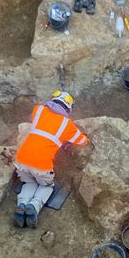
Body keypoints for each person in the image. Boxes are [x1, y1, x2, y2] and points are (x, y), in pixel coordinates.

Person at [13, 91, 89, 228]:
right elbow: (83, 141)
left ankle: (22, 204)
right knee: (46, 185)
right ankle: (33, 207)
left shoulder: (39, 110)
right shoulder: (67, 124)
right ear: (68, 109)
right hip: (41, 166)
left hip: (21, 160)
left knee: (29, 183)